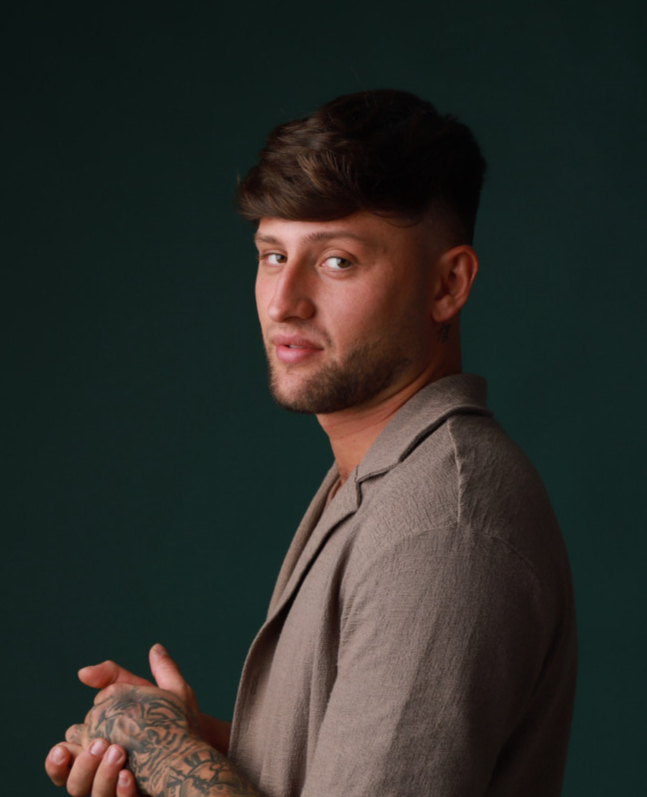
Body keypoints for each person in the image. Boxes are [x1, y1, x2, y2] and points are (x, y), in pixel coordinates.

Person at [45, 89, 577, 797]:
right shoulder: (382, 473)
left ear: (447, 285)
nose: (283, 302)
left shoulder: (440, 525)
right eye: (272, 255)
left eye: (336, 262)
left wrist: (168, 757)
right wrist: (177, 745)